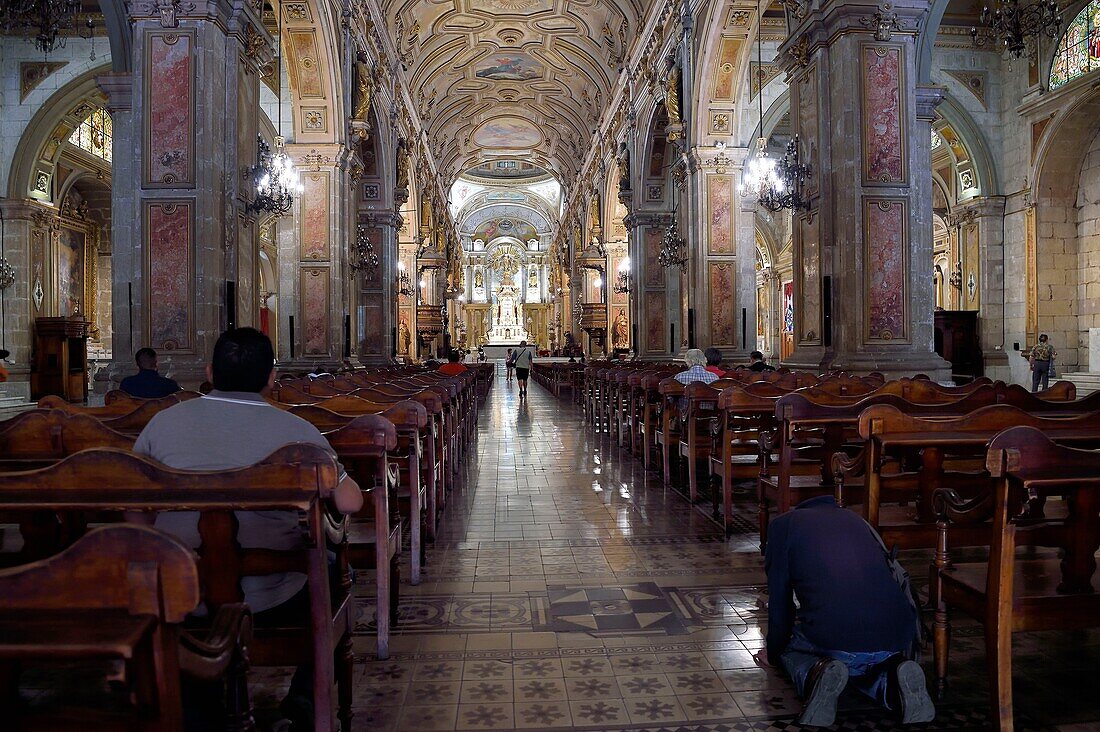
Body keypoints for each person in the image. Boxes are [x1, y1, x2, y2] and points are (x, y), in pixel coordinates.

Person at [132, 327, 363, 728]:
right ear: (272, 378)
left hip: (180, 591)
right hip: (275, 593)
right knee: (336, 571)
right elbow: (350, 502)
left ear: (208, 371)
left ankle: (198, 700)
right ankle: (305, 704)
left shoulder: (162, 425)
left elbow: (134, 511)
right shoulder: (297, 433)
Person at [762, 496, 934, 726]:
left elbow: (780, 604)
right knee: (864, 665)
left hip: (836, 636)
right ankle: (894, 678)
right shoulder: (857, 520)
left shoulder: (782, 525)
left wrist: (774, 653)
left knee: (790, 649)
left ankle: (816, 673)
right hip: (896, 635)